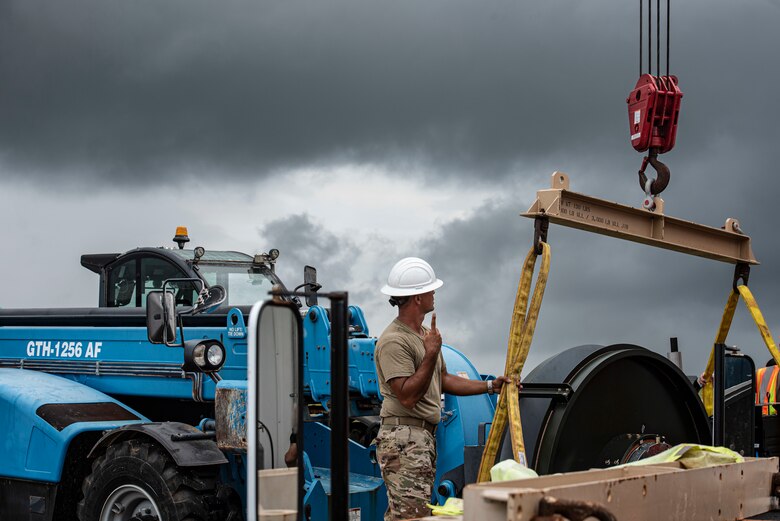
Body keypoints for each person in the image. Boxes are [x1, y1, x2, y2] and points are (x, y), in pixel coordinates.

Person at [373, 257, 514, 521]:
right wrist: (430, 353)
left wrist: (488, 386)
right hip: (405, 438)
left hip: (419, 438)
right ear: (417, 298)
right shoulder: (394, 341)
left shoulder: (425, 334)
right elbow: (407, 396)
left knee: (409, 514)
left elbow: (444, 379)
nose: (434, 293)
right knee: (411, 517)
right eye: (430, 289)